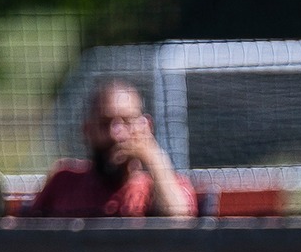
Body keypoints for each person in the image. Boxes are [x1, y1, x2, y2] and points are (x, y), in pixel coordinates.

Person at [23, 79, 195, 218]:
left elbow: (178, 223)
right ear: (87, 130)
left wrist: (154, 158)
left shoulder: (164, 185)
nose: (116, 134)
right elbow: (28, 238)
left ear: (146, 126)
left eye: (127, 121)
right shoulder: (64, 182)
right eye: (105, 124)